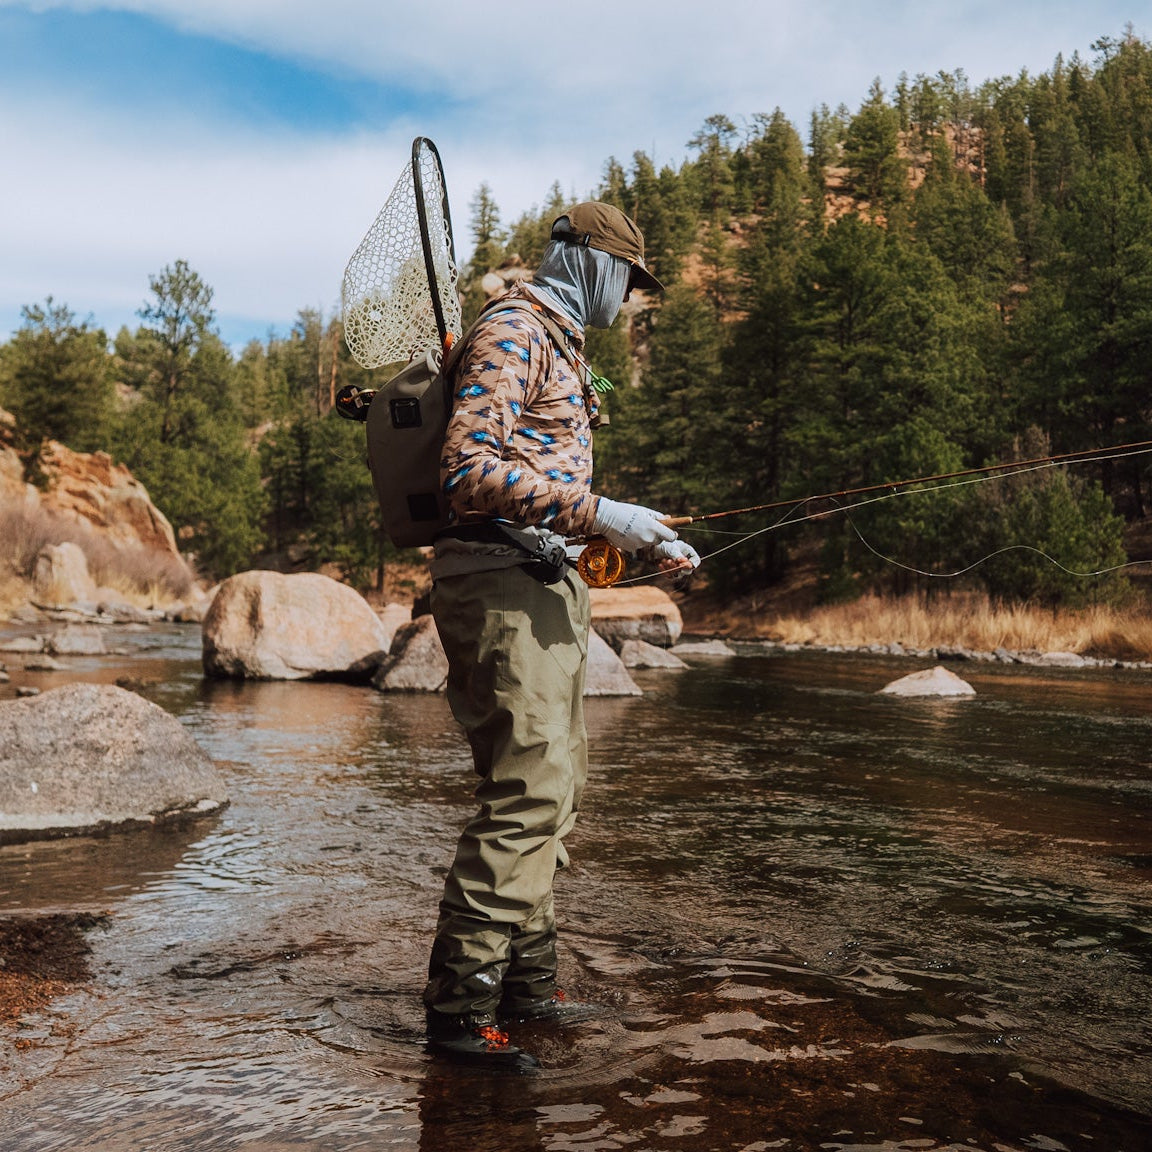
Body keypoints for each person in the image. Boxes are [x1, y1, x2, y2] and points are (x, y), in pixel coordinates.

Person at [424, 202, 700, 1072]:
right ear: (587, 261)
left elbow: (542, 486)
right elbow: (467, 473)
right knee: (528, 796)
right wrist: (602, 512)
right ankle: (460, 1016)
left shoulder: (562, 344)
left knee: (555, 792)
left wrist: (637, 538)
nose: (631, 299)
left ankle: (528, 989)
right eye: (629, 278)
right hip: (499, 589)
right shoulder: (515, 331)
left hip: (542, 584)